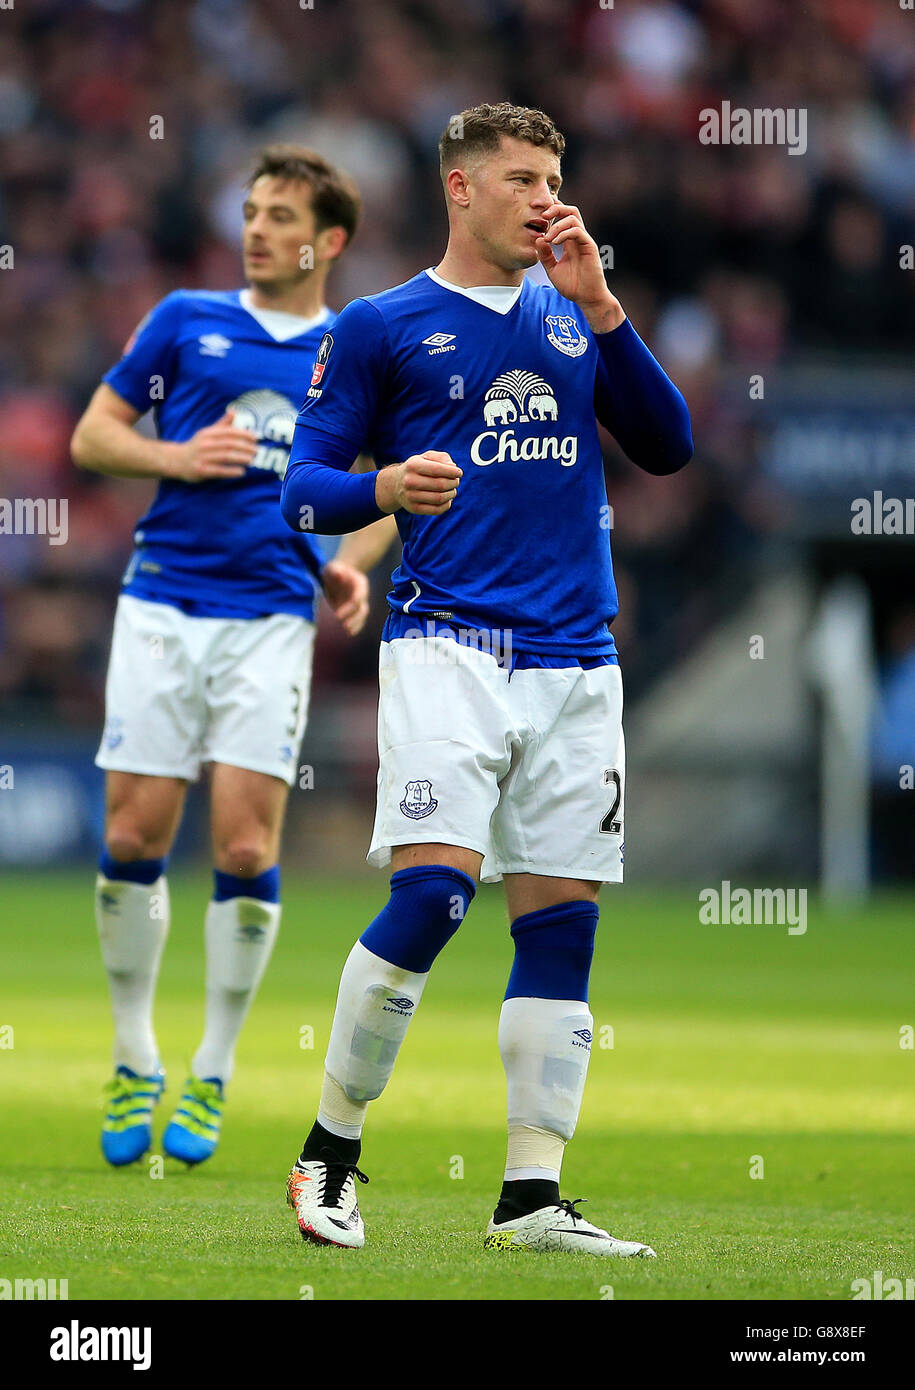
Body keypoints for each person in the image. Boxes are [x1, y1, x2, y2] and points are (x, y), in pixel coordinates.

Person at [280, 103, 693, 1255]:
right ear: (460, 189)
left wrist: (607, 310)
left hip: (579, 658)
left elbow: (669, 447)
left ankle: (531, 1197)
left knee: (562, 926)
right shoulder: (381, 324)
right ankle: (330, 1153)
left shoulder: (576, 316)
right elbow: (302, 489)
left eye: (554, 175)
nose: (544, 196)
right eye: (520, 177)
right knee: (434, 898)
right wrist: (383, 491)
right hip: (450, 646)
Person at [71, 145, 395, 1168]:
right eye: (250, 210)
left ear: (328, 240)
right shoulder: (184, 321)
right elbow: (92, 434)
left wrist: (351, 561)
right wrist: (176, 456)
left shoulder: (358, 343)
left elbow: (400, 478)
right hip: (163, 602)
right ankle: (134, 1053)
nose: (256, 228)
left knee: (247, 847)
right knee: (133, 833)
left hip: (268, 618)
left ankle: (212, 1066)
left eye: (279, 215)